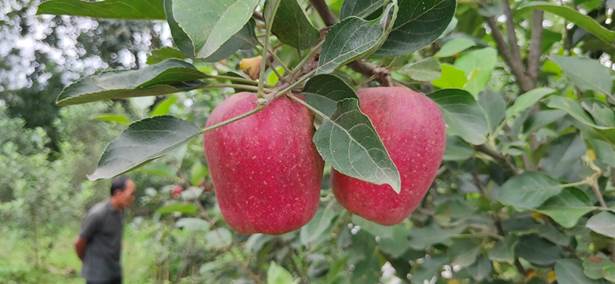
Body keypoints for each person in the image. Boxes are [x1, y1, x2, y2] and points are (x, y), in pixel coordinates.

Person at [74, 176, 136, 284]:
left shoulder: (121, 211)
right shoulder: (98, 214)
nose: (133, 197)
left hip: (114, 272)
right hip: (97, 277)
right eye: (131, 193)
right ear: (118, 193)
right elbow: (79, 243)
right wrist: (89, 263)